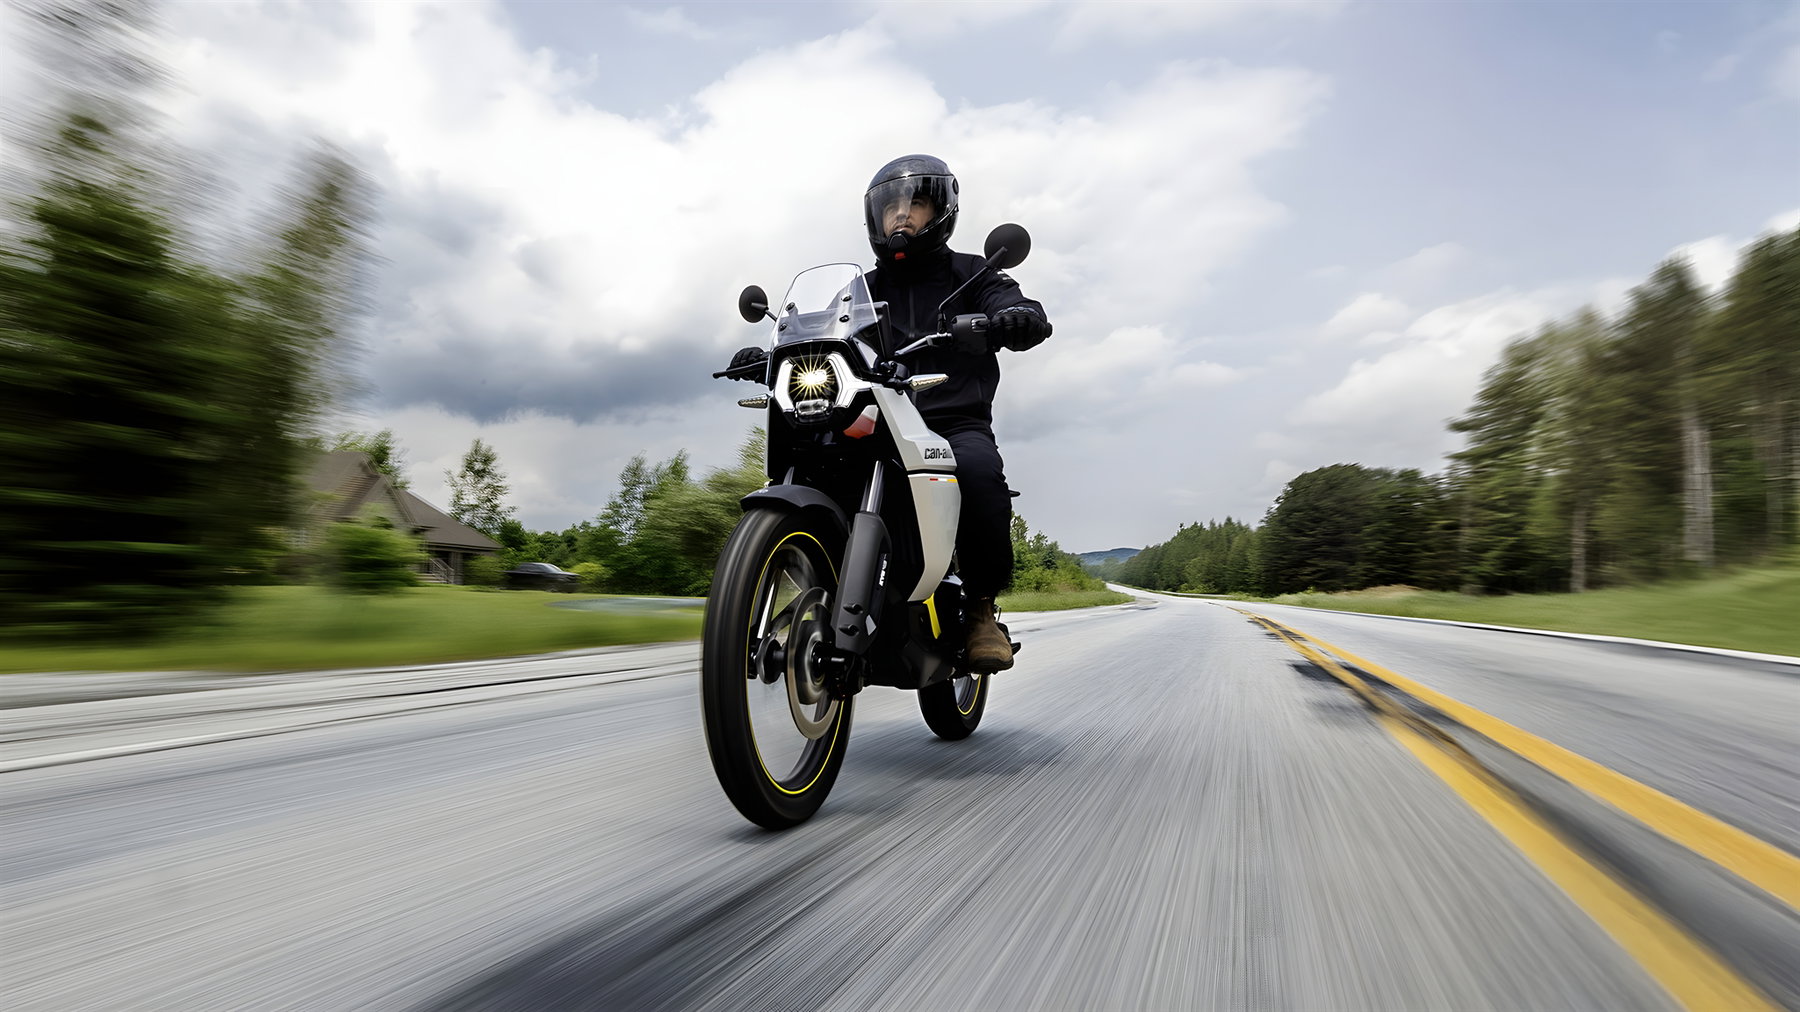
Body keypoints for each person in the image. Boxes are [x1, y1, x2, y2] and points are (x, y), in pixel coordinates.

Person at [728, 154, 1051, 673]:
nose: (901, 215)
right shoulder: (859, 292)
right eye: (891, 207)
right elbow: (820, 334)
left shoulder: (974, 274)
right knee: (816, 459)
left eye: (915, 203)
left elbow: (1021, 307)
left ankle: (980, 611)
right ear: (874, 218)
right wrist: (771, 355)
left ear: (941, 211)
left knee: (979, 476)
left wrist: (1017, 318)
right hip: (874, 418)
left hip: (950, 422)